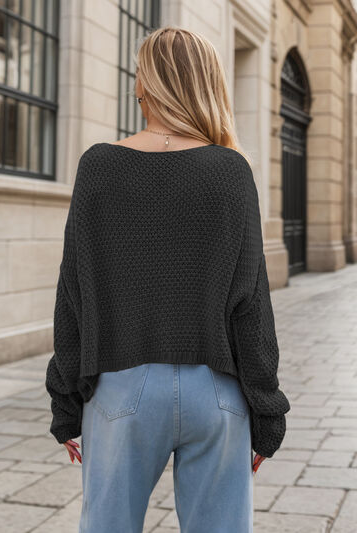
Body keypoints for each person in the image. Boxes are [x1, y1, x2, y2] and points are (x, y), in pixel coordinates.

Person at [45, 25, 291, 533]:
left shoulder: (98, 166)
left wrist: (65, 403)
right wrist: (267, 411)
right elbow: (251, 302)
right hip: (217, 390)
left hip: (120, 388)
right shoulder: (231, 171)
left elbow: (74, 295)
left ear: (145, 85)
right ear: (208, 84)